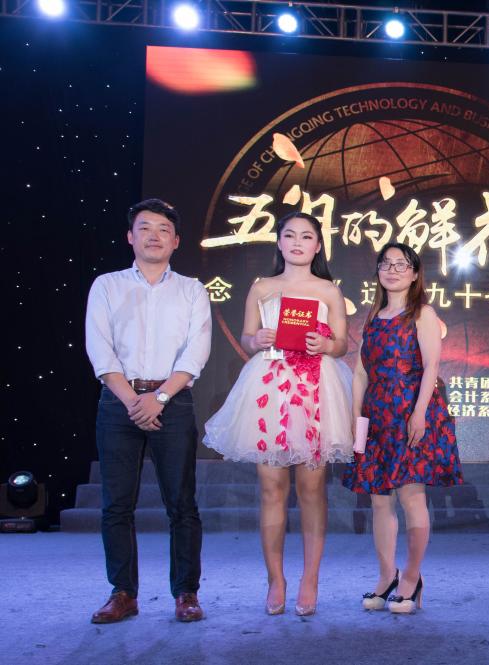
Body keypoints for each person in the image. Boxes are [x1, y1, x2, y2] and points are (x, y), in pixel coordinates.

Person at [203, 211, 353, 616]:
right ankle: (276, 580)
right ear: (280, 243)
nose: (298, 243)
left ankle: (310, 579)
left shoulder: (328, 290)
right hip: (269, 386)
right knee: (271, 489)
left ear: (318, 246)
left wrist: (326, 345)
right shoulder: (262, 287)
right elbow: (247, 336)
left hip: (314, 387)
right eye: (290, 235)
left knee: (312, 489)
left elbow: (342, 343)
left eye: (306, 236)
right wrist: (257, 339)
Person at [85, 198, 212, 623]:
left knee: (182, 504)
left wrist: (158, 398)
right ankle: (123, 593)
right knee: (117, 504)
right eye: (145, 228)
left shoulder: (192, 289)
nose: (154, 236)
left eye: (163, 229)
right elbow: (100, 349)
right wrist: (132, 401)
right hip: (118, 402)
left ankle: (186, 593)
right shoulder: (107, 285)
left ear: (176, 241)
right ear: (130, 237)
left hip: (172, 401)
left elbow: (196, 351)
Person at [341, 242, 462, 614]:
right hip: (377, 415)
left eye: (401, 264)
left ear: (414, 273)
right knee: (379, 500)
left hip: (410, 411)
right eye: (386, 263)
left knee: (412, 498)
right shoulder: (374, 317)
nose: (392, 270)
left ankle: (411, 578)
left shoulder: (423, 313)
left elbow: (431, 367)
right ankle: (386, 576)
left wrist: (419, 413)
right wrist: (356, 416)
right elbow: (360, 372)